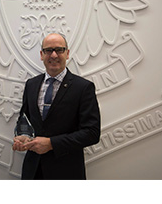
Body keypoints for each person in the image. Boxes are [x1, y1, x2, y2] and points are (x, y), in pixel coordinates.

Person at [12, 33, 101, 180]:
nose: (53, 55)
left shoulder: (83, 88)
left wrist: (51, 144)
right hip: (33, 171)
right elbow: (24, 119)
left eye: (59, 50)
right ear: (42, 55)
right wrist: (23, 136)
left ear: (67, 53)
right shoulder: (31, 85)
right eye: (48, 50)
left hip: (66, 172)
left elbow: (92, 133)